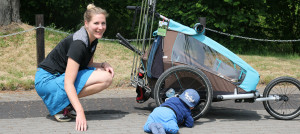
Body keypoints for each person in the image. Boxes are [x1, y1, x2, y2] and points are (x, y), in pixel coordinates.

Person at [34, 4, 113, 131]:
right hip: (46, 81)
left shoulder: (92, 39)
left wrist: (104, 64)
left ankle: (64, 104)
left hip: (58, 78)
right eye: (96, 23)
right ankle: (63, 105)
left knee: (105, 73)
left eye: (103, 23)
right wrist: (80, 111)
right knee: (105, 78)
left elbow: (88, 65)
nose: (100, 27)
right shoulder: (79, 44)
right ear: (86, 23)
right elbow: (68, 82)